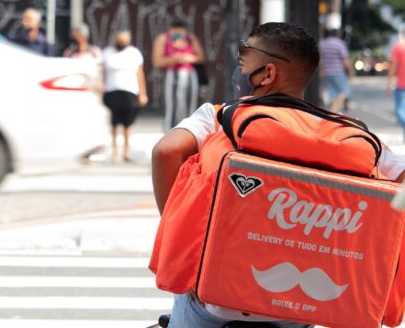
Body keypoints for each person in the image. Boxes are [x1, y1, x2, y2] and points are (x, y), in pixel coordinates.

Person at [151, 22, 405, 328]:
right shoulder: (349, 135)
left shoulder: (220, 116)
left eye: (243, 65)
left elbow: (166, 152)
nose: (238, 74)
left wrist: (178, 228)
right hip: (296, 308)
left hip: (216, 303)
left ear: (268, 74)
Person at [102, 30, 148, 162]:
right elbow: (102, 73)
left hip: (130, 91)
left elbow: (140, 74)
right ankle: (115, 150)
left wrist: (143, 93)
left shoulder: (134, 53)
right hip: (111, 90)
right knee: (114, 122)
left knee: (128, 123)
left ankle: (127, 150)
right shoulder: (107, 53)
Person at [152, 19, 206, 131]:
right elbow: (157, 61)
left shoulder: (190, 38)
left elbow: (201, 57)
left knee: (190, 106)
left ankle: (189, 131)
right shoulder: (163, 39)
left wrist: (189, 58)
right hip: (172, 76)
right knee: (172, 107)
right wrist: (173, 59)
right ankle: (170, 132)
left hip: (190, 75)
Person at [318, 25, 354, 113]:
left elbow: (319, 59)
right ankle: (333, 111)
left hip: (326, 72)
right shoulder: (339, 44)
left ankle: (333, 112)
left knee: (333, 94)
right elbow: (345, 60)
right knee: (345, 91)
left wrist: (321, 70)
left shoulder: (322, 44)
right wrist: (350, 71)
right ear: (337, 34)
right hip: (338, 72)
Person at [387, 29, 405, 142]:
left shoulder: (398, 47)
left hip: (401, 84)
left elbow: (393, 66)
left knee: (399, 110)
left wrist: (389, 83)